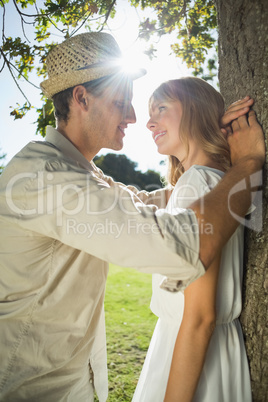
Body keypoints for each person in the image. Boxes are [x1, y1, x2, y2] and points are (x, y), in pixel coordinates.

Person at [0, 32, 264, 402]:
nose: (134, 116)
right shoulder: (48, 179)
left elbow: (147, 202)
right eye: (122, 101)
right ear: (81, 98)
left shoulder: (81, 175)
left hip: (69, 382)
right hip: (32, 388)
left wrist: (206, 148)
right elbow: (184, 244)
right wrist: (249, 164)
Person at [132, 77, 257, 402]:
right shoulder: (215, 184)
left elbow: (200, 317)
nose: (148, 122)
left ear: (196, 112)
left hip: (190, 353)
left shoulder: (197, 183)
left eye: (161, 107)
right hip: (210, 351)